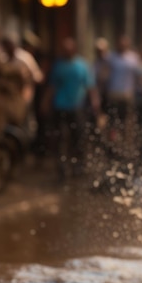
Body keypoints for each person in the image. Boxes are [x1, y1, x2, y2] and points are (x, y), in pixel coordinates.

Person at [41, 37, 99, 179]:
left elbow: (90, 86)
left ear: (74, 49)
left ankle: (78, 166)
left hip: (77, 107)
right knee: (60, 137)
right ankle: (62, 167)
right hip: (60, 106)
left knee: (78, 138)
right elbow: (52, 87)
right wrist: (45, 102)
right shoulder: (58, 66)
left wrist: (95, 102)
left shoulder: (82, 65)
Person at [104, 34, 142, 157]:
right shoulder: (111, 57)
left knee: (127, 122)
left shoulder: (133, 58)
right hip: (113, 94)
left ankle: (127, 147)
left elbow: (139, 76)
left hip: (127, 95)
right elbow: (104, 75)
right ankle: (112, 146)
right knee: (113, 122)